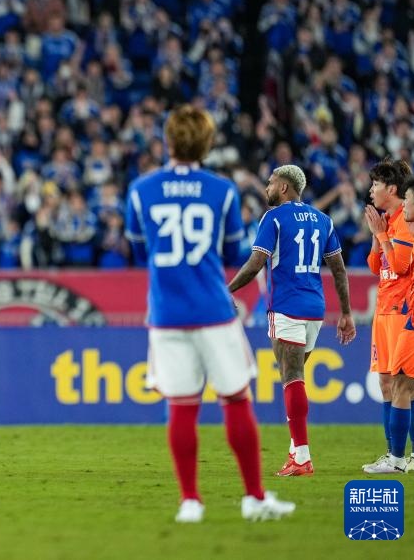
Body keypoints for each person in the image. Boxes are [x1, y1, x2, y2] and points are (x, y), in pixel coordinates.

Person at [125, 105, 295, 524]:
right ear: (206, 143)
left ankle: (190, 501)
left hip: (166, 313)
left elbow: (139, 251)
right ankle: (254, 498)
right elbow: (232, 251)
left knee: (182, 407)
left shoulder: (141, 189)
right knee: (235, 400)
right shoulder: (222, 190)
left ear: (168, 141)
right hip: (213, 311)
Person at [228, 165, 356, 477]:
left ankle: (302, 457)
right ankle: (295, 452)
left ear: (284, 187)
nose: (267, 188)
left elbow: (256, 262)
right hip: (315, 309)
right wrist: (346, 312)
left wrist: (225, 291)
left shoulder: (273, 218)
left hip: (286, 306)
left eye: (271, 183)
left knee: (291, 376)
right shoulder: (322, 219)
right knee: (295, 377)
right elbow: (339, 269)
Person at [360, 160, 414, 473]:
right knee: (390, 383)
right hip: (384, 309)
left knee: (401, 384)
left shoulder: (406, 222)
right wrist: (377, 236)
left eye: (376, 185)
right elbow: (377, 267)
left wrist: (382, 234)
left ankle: (401, 454)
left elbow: (399, 266)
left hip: (402, 310)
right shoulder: (388, 221)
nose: (371, 190)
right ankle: (410, 453)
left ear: (392, 189)